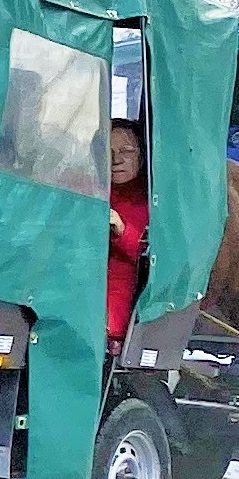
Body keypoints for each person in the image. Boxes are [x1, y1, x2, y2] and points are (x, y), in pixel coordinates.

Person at [107, 119, 152, 343]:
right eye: (109, 151)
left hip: (121, 292)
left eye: (126, 151)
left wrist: (120, 229)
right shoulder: (90, 187)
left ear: (142, 156)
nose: (116, 159)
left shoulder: (151, 199)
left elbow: (151, 255)